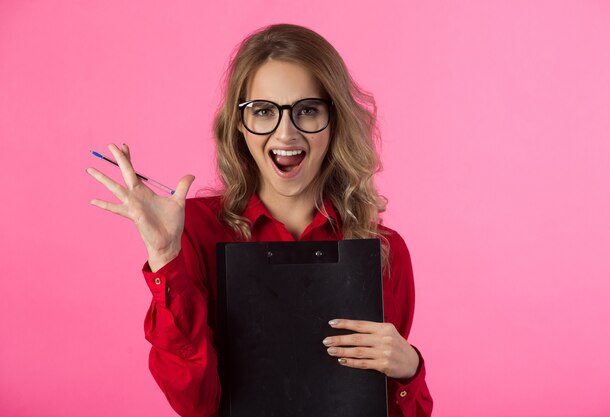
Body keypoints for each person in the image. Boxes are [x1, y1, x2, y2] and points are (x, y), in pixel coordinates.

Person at [87, 23, 433, 417]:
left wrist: (409, 368)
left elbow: (389, 405)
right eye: (264, 111)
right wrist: (166, 254)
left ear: (333, 120)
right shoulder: (196, 230)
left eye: (307, 110)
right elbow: (195, 403)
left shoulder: (385, 250)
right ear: (239, 124)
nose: (285, 134)